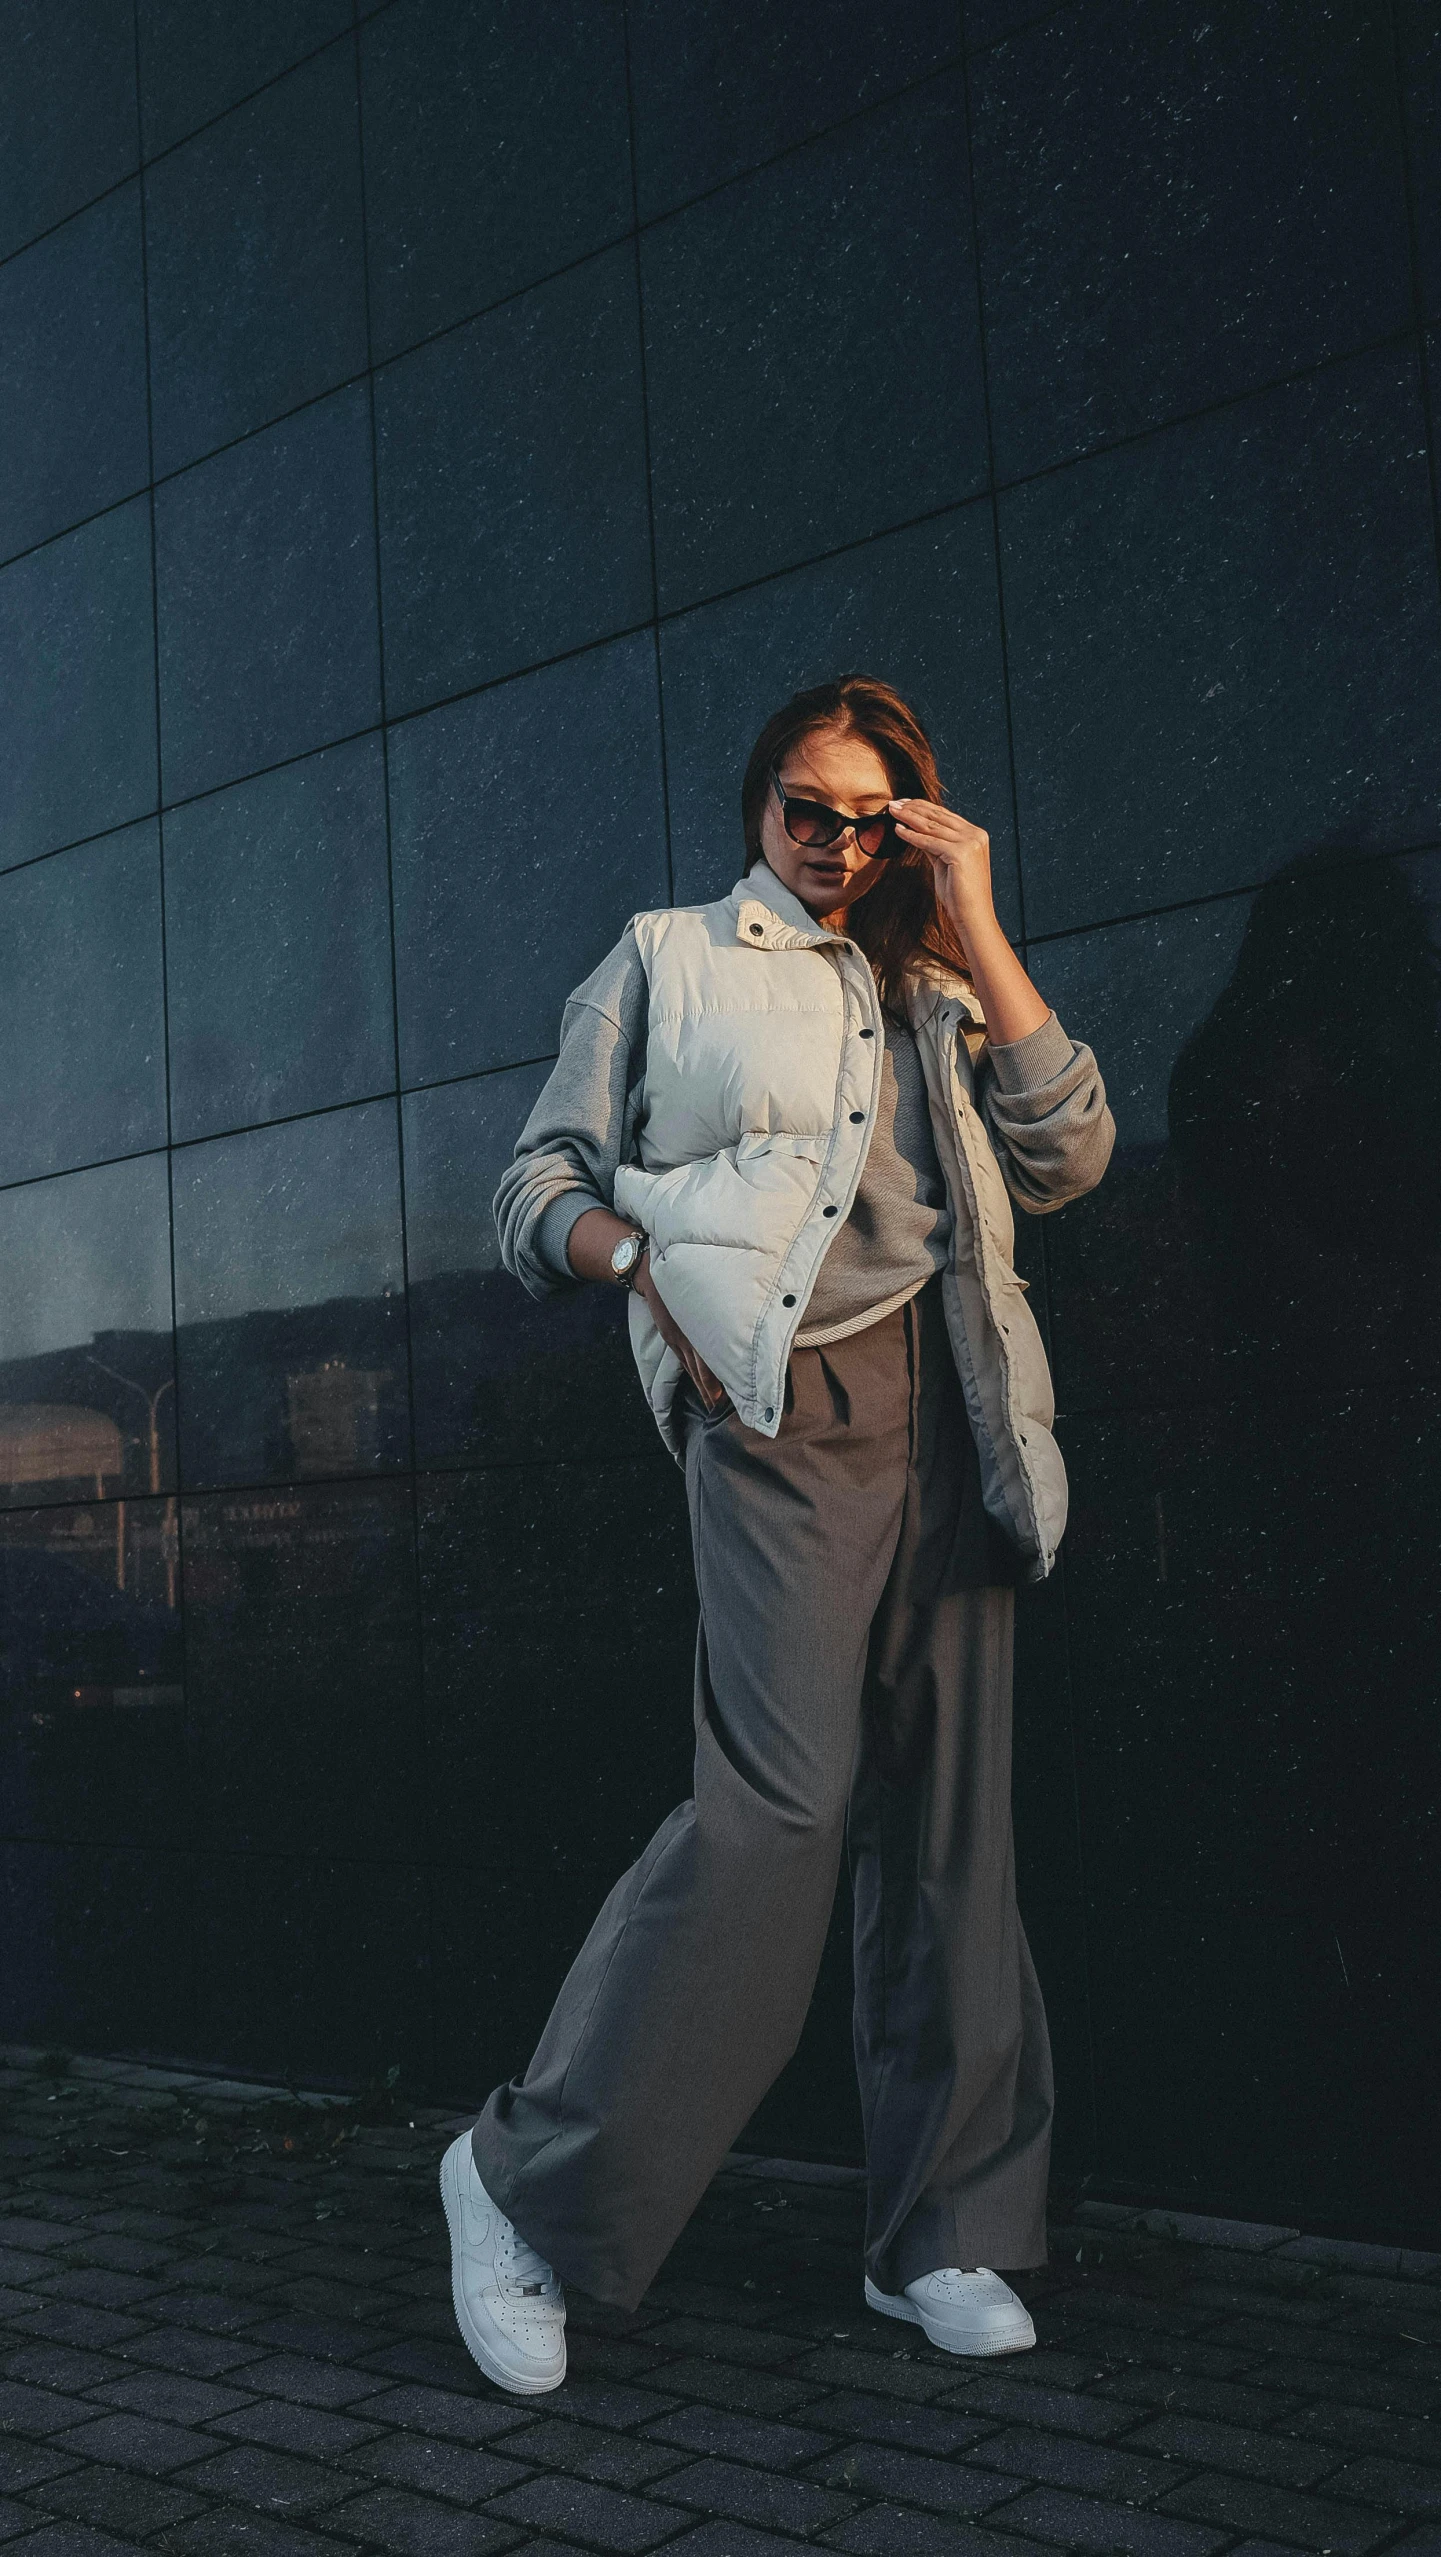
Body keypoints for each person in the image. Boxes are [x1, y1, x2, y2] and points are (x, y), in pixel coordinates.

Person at [439, 674, 1115, 2395]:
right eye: (802, 809)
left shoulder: (946, 980)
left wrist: (973, 919)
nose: (830, 842)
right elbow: (538, 1183)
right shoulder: (667, 958)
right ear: (758, 809)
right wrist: (639, 1268)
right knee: (778, 1819)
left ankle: (944, 2234)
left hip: (960, 1408)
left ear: (912, 820)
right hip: (778, 1412)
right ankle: (524, 2184)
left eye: (867, 816)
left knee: (955, 1831)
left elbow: (1078, 1153)